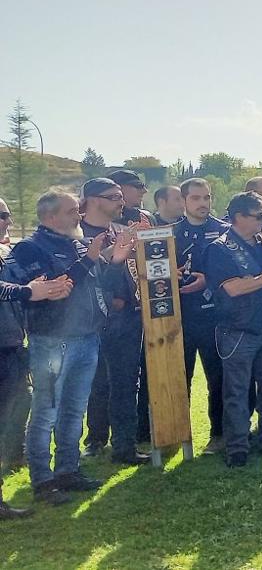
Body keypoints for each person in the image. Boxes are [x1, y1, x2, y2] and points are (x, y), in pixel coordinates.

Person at [11, 190, 133, 504]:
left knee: (74, 410)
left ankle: (68, 469)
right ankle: (43, 480)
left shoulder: (77, 243)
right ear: (50, 217)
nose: (78, 215)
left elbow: (100, 285)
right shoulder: (29, 248)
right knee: (46, 412)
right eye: (70, 211)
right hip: (52, 340)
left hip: (87, 337)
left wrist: (115, 260)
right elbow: (57, 288)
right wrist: (90, 257)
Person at [204, 192, 262, 467]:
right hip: (238, 329)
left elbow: (257, 280)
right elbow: (232, 288)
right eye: (258, 216)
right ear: (239, 217)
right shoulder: (219, 248)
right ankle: (237, 447)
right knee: (237, 391)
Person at [0, 237, 73, 518]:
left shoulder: (6, 253)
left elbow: (32, 283)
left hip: (12, 346)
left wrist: (48, 286)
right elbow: (18, 290)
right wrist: (28, 291)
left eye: (5, 215)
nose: (4, 221)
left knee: (13, 417)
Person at [79, 178, 148, 465]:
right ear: (94, 200)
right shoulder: (77, 232)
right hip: (93, 320)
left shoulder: (120, 229)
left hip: (128, 317)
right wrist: (115, 251)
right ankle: (95, 439)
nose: (122, 202)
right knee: (97, 383)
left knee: (125, 382)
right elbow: (83, 271)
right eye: (114, 197)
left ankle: (125, 446)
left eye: (121, 196)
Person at [173, 178, 230, 454]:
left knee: (217, 379)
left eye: (206, 197)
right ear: (183, 201)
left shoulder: (224, 231)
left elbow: (235, 271)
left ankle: (218, 434)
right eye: (196, 198)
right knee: (177, 379)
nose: (203, 203)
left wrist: (207, 281)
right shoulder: (169, 233)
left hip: (214, 318)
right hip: (178, 320)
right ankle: (177, 435)